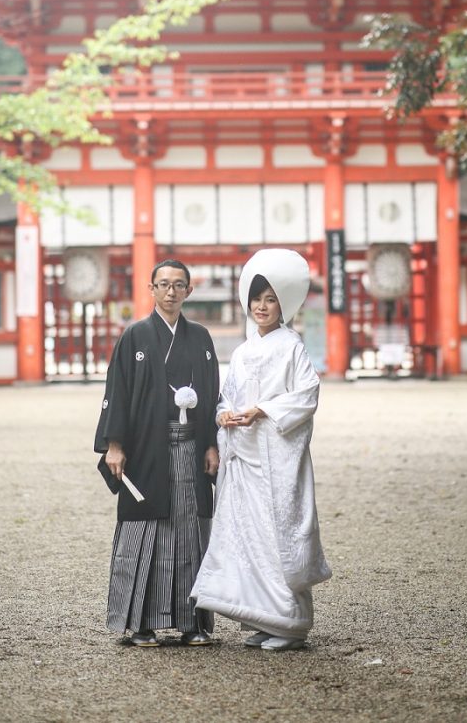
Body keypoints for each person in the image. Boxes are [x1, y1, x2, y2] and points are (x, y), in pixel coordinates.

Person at [191, 247, 331, 651]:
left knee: (278, 532)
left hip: (276, 456)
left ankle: (290, 623)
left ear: (282, 304)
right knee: (246, 535)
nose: (262, 306)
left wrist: (264, 410)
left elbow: (307, 393)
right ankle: (262, 617)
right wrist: (224, 416)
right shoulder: (243, 351)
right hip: (245, 457)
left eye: (270, 299)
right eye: (257, 299)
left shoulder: (291, 345)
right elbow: (226, 398)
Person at [94, 259, 219, 647]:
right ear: (151, 289)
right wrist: (115, 445)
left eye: (178, 285)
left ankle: (191, 623)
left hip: (191, 446)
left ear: (188, 291)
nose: (170, 291)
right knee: (143, 528)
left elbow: (214, 394)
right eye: (163, 284)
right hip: (147, 447)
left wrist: (212, 443)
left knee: (189, 532)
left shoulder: (199, 338)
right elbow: (117, 392)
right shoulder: (134, 336)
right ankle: (141, 623)